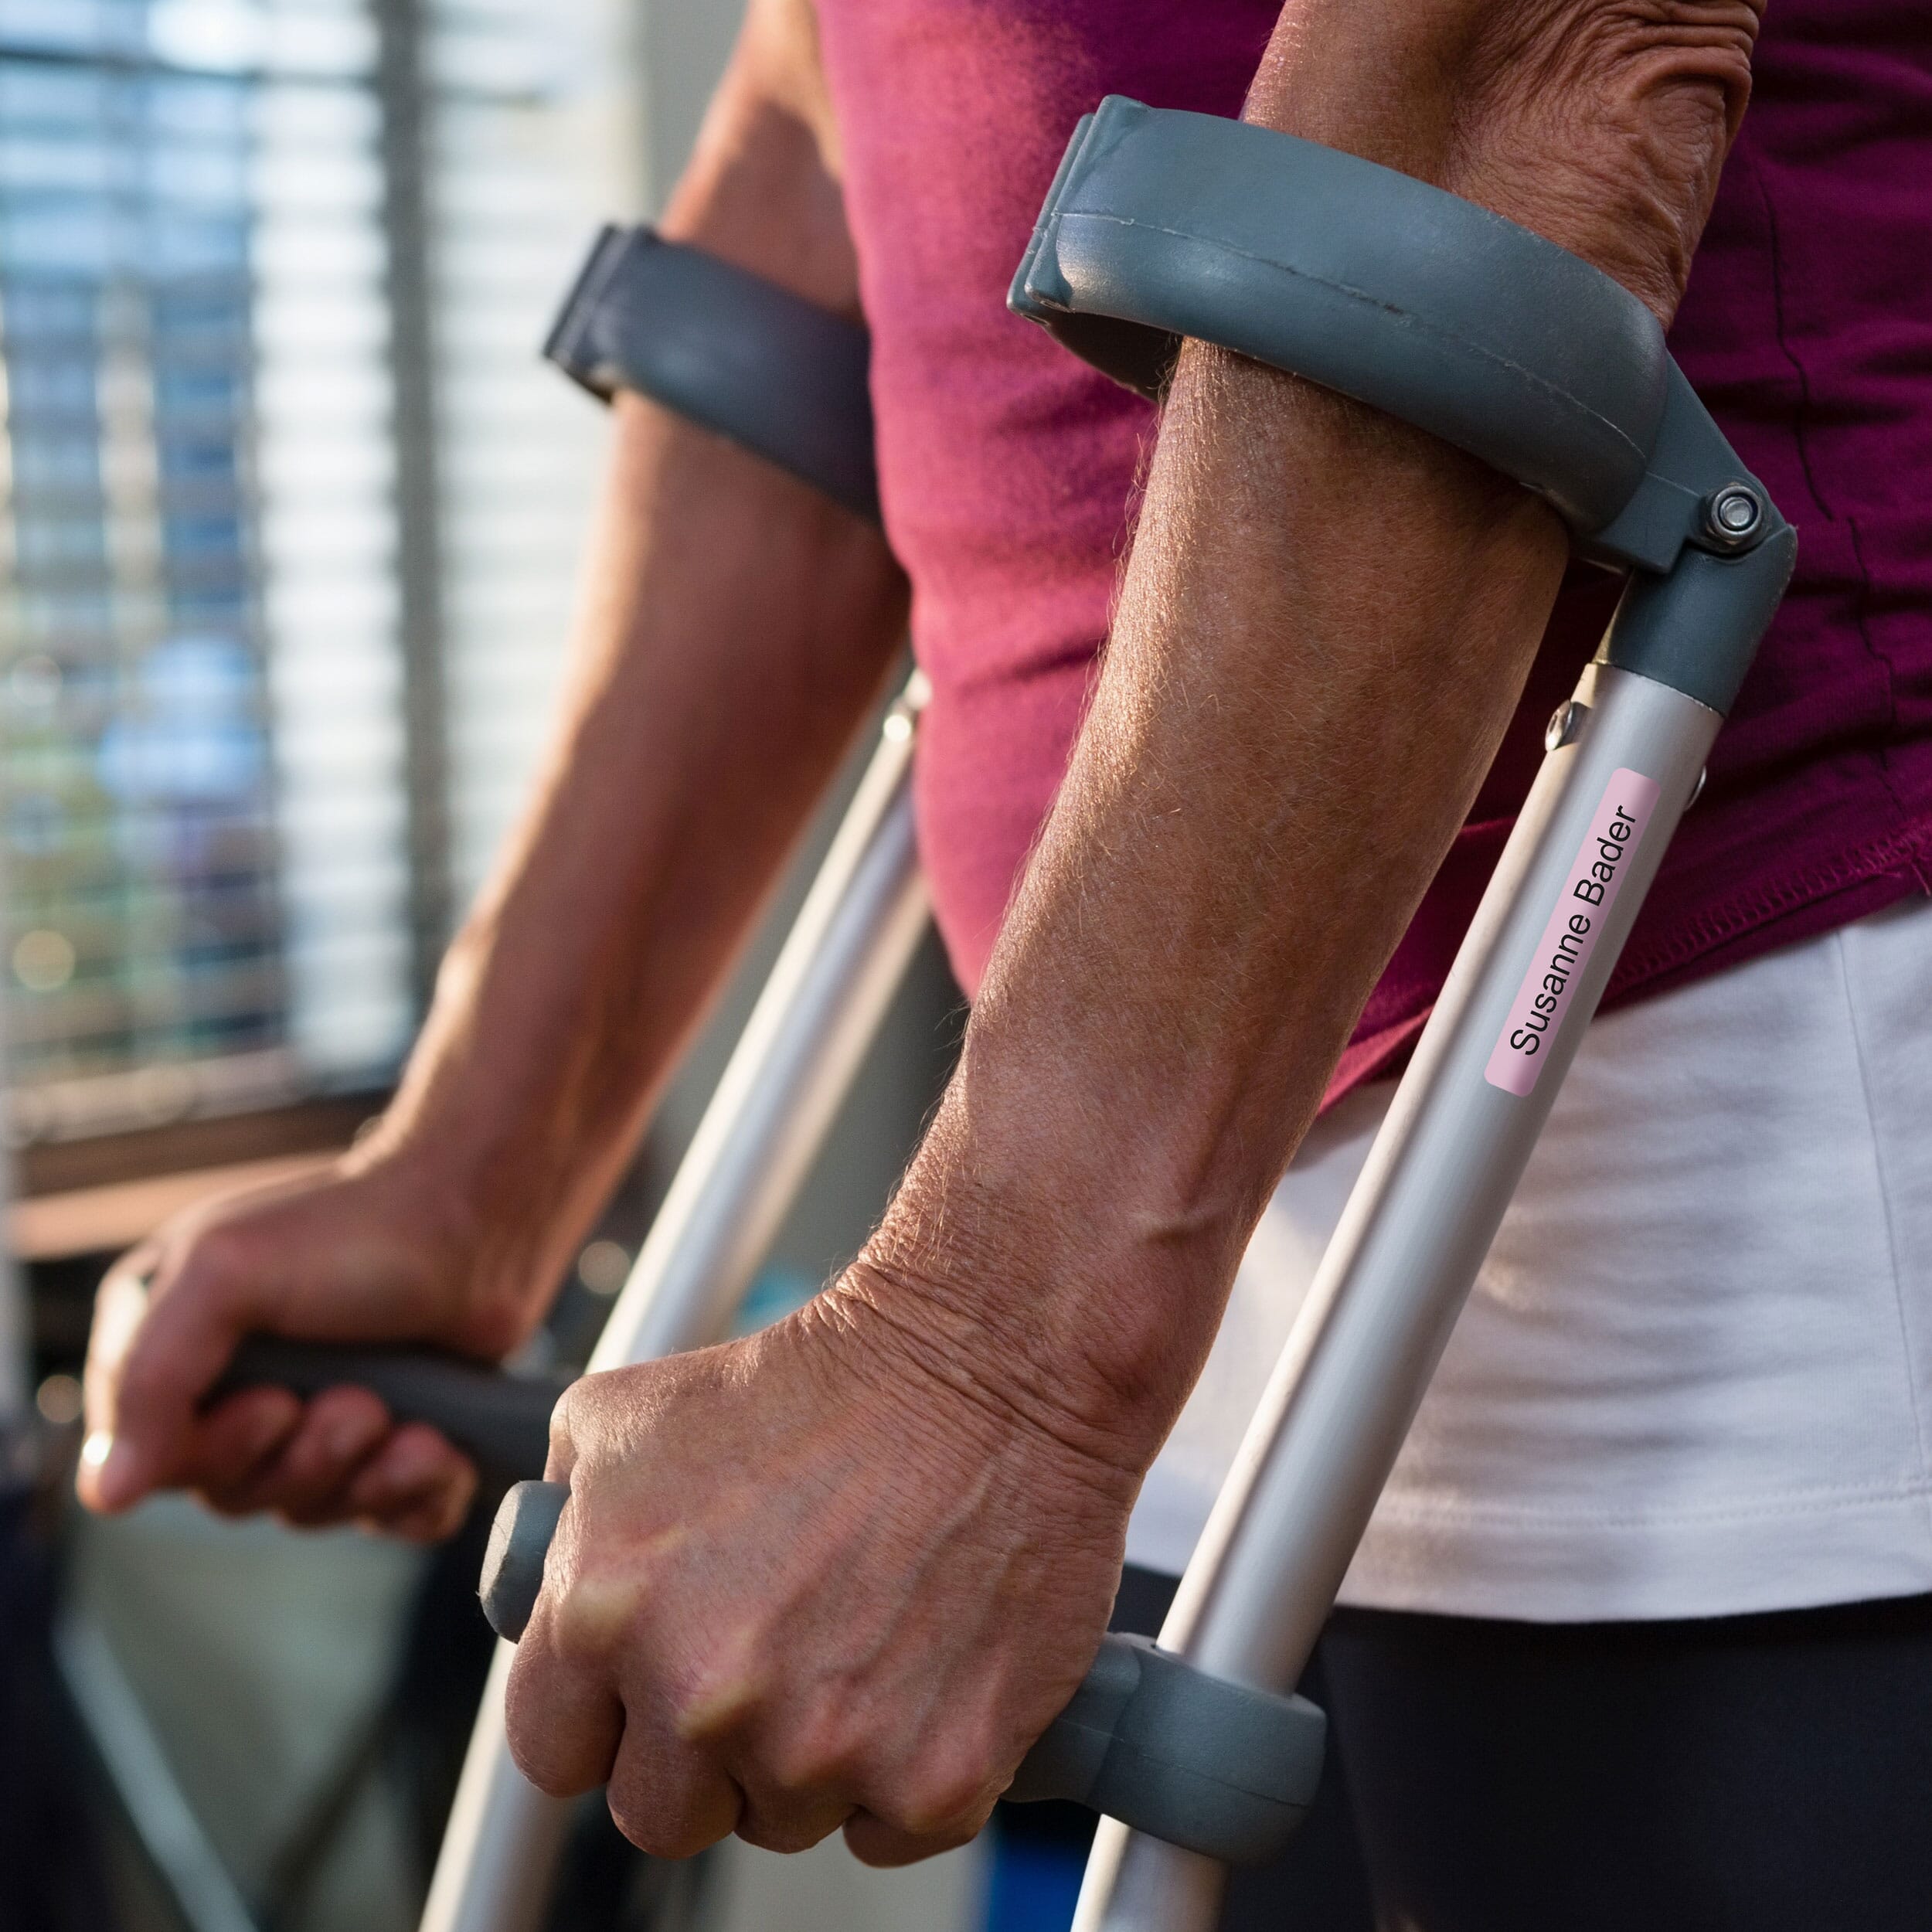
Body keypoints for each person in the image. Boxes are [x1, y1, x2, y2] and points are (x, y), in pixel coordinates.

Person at [80, 0, 1932, 1921]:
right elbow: (856, 122)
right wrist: (480, 1159)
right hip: (1204, 1295)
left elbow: (1504, 81)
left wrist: (1000, 1351)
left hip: (1735, 1202)